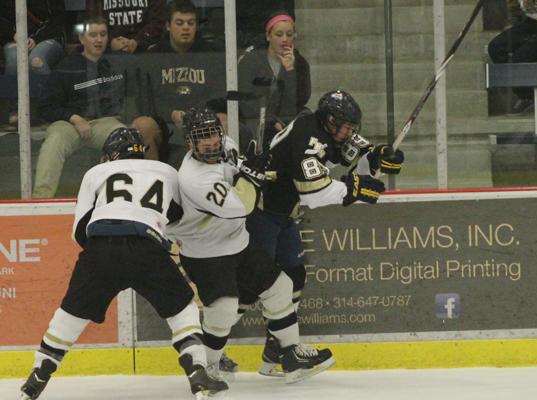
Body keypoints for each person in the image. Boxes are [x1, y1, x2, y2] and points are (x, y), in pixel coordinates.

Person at [19, 127, 227, 400]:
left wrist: (102, 259)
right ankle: (197, 372)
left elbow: (80, 230)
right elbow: (177, 216)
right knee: (182, 311)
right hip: (147, 246)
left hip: (100, 247)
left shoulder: (94, 173)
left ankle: (37, 377)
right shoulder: (166, 171)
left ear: (110, 154)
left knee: (71, 314)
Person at [168, 108, 335, 388]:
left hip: (238, 243)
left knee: (280, 287)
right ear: (190, 143)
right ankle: (209, 366)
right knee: (223, 308)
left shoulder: (228, 146)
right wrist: (252, 177)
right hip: (206, 251)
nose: (210, 141)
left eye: (212, 134)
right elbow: (242, 206)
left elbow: (244, 168)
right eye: (201, 138)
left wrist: (256, 166)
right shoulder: (193, 178)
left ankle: (291, 356)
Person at [245, 89, 404, 376]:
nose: (349, 132)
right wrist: (353, 189)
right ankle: (208, 355)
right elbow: (313, 193)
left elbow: (356, 154)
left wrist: (379, 155)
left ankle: (277, 350)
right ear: (330, 120)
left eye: (352, 127)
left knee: (294, 277)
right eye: (345, 126)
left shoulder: (329, 131)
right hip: (260, 213)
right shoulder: (309, 135)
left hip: (283, 215)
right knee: (249, 287)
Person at [33, 16, 132, 199]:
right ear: (81, 39)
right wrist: (73, 117)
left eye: (103, 34)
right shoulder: (65, 67)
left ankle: (121, 199)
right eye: (93, 35)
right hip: (69, 124)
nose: (99, 40)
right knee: (54, 142)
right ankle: (41, 200)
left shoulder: (116, 64)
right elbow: (46, 107)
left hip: (105, 123)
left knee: (125, 138)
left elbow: (129, 97)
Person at [131, 0, 226, 165]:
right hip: (166, 124)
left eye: (191, 23)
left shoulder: (212, 54)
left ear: (196, 26)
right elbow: (146, 102)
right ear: (168, 26)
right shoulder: (153, 56)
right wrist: (170, 114)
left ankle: (222, 177)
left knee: (225, 120)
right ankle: (152, 180)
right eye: (180, 23)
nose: (186, 28)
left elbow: (219, 96)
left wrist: (199, 116)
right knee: (142, 125)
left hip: (204, 122)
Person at [238, 11, 311, 151]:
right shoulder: (250, 61)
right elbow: (244, 99)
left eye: (289, 35)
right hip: (256, 118)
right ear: (268, 36)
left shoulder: (300, 63)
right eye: (279, 35)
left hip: (287, 119)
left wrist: (289, 70)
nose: (285, 39)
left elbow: (300, 99)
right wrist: (270, 121)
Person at [0, 0, 66, 127]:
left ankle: (50, 109)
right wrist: (13, 34)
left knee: (36, 60)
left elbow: (57, 21)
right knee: (15, 58)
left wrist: (36, 38)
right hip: (14, 39)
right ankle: (15, 110)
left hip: (48, 38)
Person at [86, 0, 166, 54]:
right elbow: (93, 20)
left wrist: (137, 41)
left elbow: (158, 21)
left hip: (147, 50)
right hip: (107, 53)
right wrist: (110, 41)